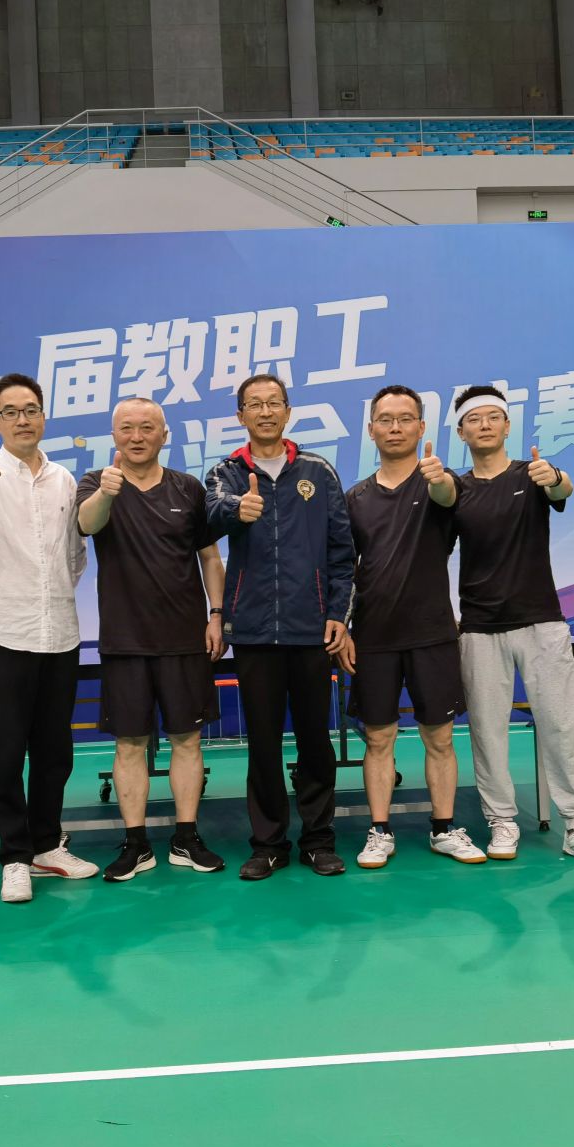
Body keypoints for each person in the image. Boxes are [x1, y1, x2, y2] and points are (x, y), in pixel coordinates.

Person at [449, 385, 574, 865]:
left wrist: (557, 477)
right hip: (479, 627)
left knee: (561, 726)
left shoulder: (534, 473)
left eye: (493, 417)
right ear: (461, 432)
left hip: (541, 622)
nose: (484, 425)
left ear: (507, 426)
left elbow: (562, 489)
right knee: (487, 732)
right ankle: (501, 821)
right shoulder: (456, 489)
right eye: (474, 419)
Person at [0, 374, 99, 903]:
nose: (22, 419)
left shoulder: (64, 479)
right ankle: (14, 856)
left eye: (30, 409)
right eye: (10, 412)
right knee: (7, 752)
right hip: (4, 630)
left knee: (56, 751)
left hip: (60, 631)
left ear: (44, 417)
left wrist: (52, 592)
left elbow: (74, 556)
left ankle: (46, 846)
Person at [204, 372, 354, 880]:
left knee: (315, 741)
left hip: (311, 630)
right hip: (252, 633)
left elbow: (342, 552)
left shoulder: (318, 471)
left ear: (288, 412)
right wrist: (237, 509)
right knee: (263, 744)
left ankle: (318, 840)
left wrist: (337, 614)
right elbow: (210, 515)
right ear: (240, 415)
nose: (265, 412)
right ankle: (268, 843)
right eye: (255, 404)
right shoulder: (226, 472)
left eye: (274, 403)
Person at [76, 397, 229, 880]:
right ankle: (136, 843)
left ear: (165, 435)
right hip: (124, 640)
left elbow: (210, 557)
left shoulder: (188, 488)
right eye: (126, 428)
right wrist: (107, 493)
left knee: (187, 739)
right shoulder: (97, 482)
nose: (136, 436)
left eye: (147, 427)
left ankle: (186, 837)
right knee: (129, 745)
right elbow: (86, 524)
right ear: (114, 436)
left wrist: (217, 615)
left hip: (184, 637)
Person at [337, 384, 484, 868]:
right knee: (378, 739)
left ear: (422, 428)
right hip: (373, 638)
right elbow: (343, 569)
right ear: (371, 429)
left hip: (432, 634)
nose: (395, 427)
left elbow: (448, 496)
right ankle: (379, 831)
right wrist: (344, 628)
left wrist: (438, 479)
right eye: (386, 419)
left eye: (405, 419)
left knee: (439, 738)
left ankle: (444, 828)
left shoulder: (440, 481)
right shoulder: (355, 498)